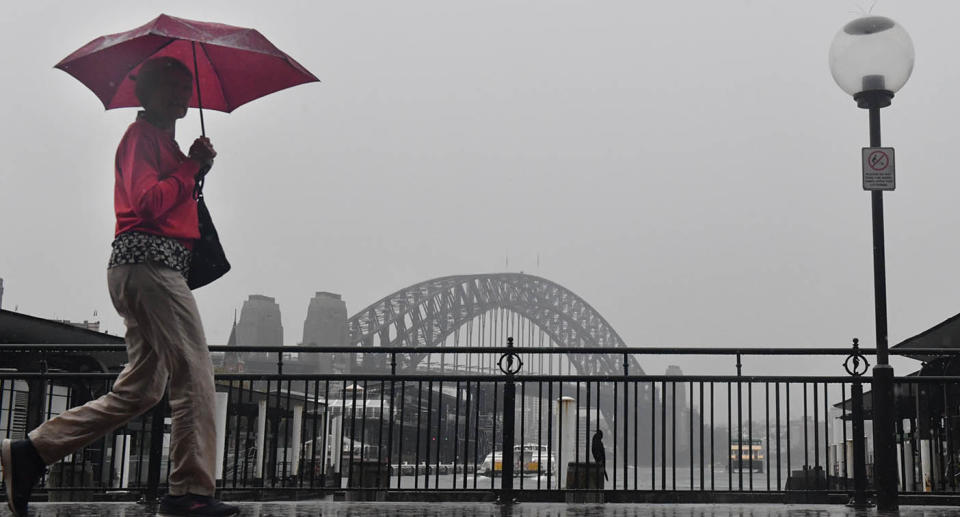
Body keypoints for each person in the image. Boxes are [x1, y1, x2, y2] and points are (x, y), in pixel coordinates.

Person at [1, 57, 238, 517]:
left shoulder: (167, 146)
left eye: (185, 88)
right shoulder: (140, 138)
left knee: (144, 389)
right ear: (145, 95)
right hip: (150, 268)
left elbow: (172, 197)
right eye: (170, 87)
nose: (181, 96)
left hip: (146, 271)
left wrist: (196, 167)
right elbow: (148, 203)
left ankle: (31, 453)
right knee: (194, 371)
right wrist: (190, 169)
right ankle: (189, 492)